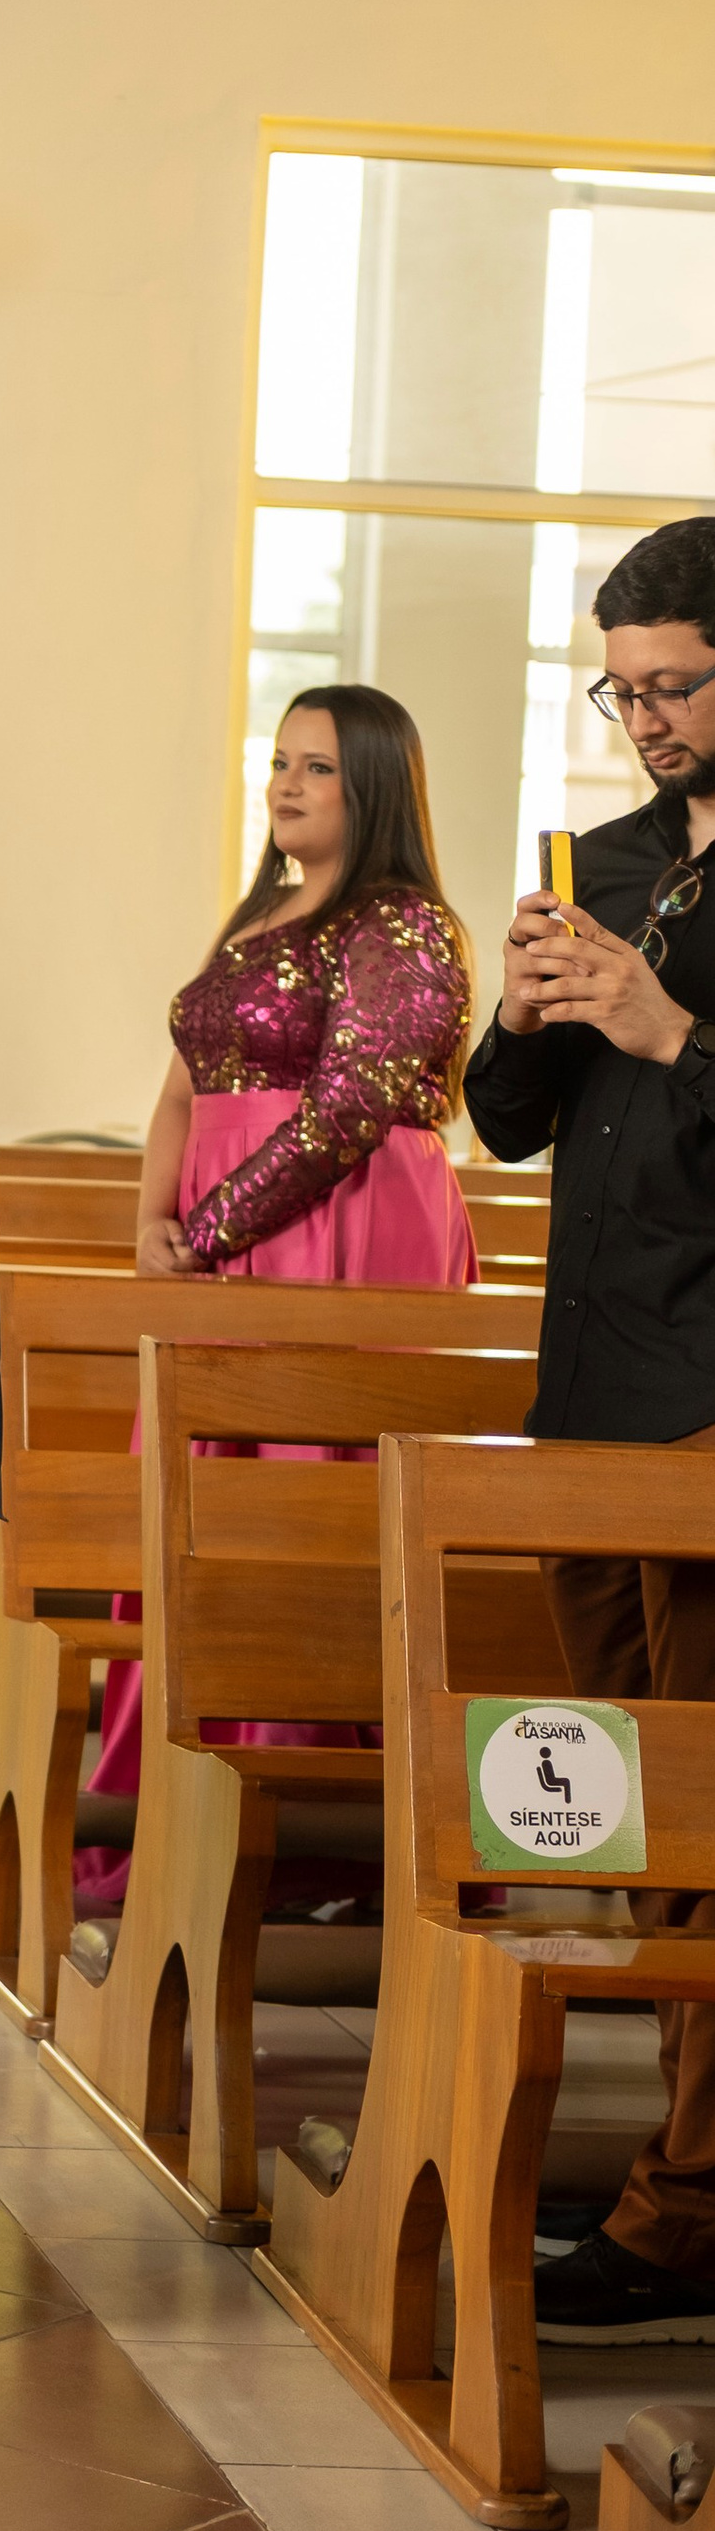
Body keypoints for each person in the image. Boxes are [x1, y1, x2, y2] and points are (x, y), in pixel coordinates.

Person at [81, 687, 476, 1886]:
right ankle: (185, 1810)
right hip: (230, 1239)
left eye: (318, 768)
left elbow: (351, 1107)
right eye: (279, 761)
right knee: (202, 1506)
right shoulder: (260, 913)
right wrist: (153, 1217)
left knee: (312, 1511)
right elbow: (182, 1086)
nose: (286, 785)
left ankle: (310, 1827)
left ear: (374, 789)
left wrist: (208, 1225)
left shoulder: (403, 924)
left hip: (342, 1234)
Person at [467, 519, 715, 2345]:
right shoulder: (607, 859)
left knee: (711, 1814)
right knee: (632, 1816)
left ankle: (684, 2204)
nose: (641, 723)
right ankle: (685, 2165)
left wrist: (667, 1027)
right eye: (620, 691)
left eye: (674, 688)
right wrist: (529, 1005)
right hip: (590, 1397)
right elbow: (507, 1122)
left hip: (712, 1406)